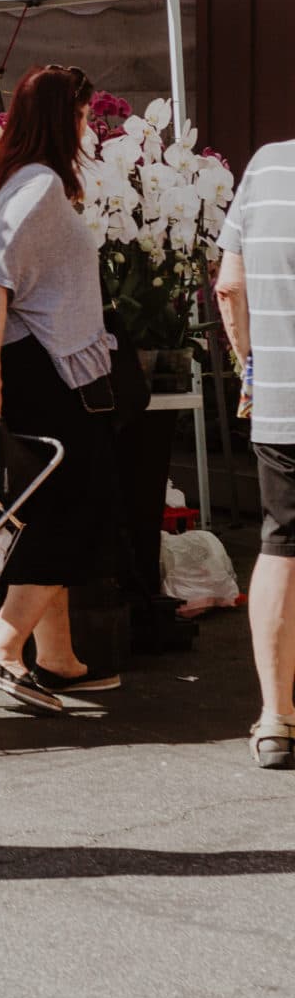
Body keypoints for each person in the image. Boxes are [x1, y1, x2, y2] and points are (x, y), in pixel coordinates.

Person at [0, 65, 123, 714]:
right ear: (64, 119)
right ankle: (4, 643)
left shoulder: (8, 181)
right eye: (82, 115)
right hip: (51, 373)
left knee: (46, 510)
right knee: (76, 511)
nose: (88, 127)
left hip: (38, 366)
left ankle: (58, 659)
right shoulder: (41, 186)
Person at [216, 133, 295, 769]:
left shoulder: (266, 166)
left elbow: (228, 287)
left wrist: (251, 367)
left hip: (282, 401)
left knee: (280, 545)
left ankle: (276, 719)